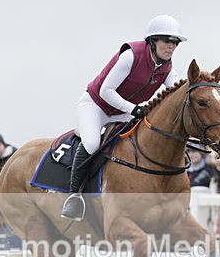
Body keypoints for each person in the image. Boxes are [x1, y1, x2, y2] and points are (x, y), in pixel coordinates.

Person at [61, 14, 186, 220]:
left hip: (122, 111)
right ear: (152, 42)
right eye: (166, 41)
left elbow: (178, 89)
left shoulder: (166, 67)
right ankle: (74, 196)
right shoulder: (131, 55)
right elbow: (106, 90)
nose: (171, 47)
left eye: (175, 43)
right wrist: (133, 108)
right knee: (92, 144)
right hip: (95, 105)